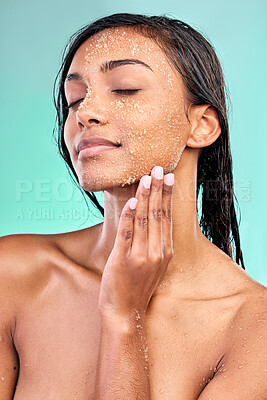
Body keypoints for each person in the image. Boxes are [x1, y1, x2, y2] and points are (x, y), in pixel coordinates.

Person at [0, 12, 266, 400]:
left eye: (124, 90)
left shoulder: (252, 327)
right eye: (75, 99)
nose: (85, 113)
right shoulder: (14, 275)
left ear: (202, 125)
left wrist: (124, 318)